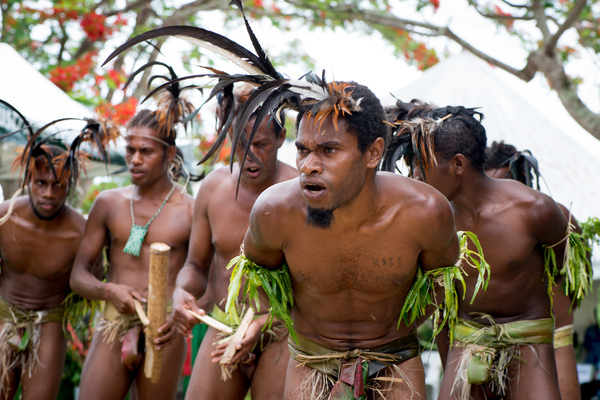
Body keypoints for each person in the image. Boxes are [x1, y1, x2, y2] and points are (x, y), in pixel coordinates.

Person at [224, 81, 461, 400]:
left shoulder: (425, 213)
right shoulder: (275, 213)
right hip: (310, 363)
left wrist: (391, 327)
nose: (308, 166)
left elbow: (440, 281)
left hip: (395, 362)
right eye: (302, 149)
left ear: (373, 153)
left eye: (328, 150)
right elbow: (264, 282)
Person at [392, 106, 573, 400]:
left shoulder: (533, 210)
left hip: (529, 339)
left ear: (458, 164)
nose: (415, 175)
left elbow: (566, 266)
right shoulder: (432, 222)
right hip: (468, 340)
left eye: (422, 165)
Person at [171, 85, 297, 399]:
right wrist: (182, 291)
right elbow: (195, 266)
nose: (250, 155)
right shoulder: (213, 188)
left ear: (281, 139)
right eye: (240, 144)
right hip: (225, 325)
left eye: (261, 144)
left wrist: (266, 323)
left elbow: (318, 285)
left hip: (284, 331)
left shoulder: (302, 192)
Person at [70, 108, 194, 400]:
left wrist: (181, 315)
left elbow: (206, 282)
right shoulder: (108, 203)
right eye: (130, 150)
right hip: (113, 323)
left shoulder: (191, 211)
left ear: (169, 153)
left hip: (165, 332)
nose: (135, 160)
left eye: (146, 151)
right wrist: (109, 290)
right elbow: (77, 276)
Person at [0, 116, 115, 400]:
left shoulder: (80, 233)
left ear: (71, 184)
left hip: (48, 324)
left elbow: (92, 279)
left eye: (59, 185)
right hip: (3, 317)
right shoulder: (4, 217)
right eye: (41, 183)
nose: (49, 193)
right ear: (29, 179)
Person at [485, 140, 586, 400]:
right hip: (503, 335)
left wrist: (562, 304)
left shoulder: (552, 212)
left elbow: (578, 268)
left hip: (551, 328)